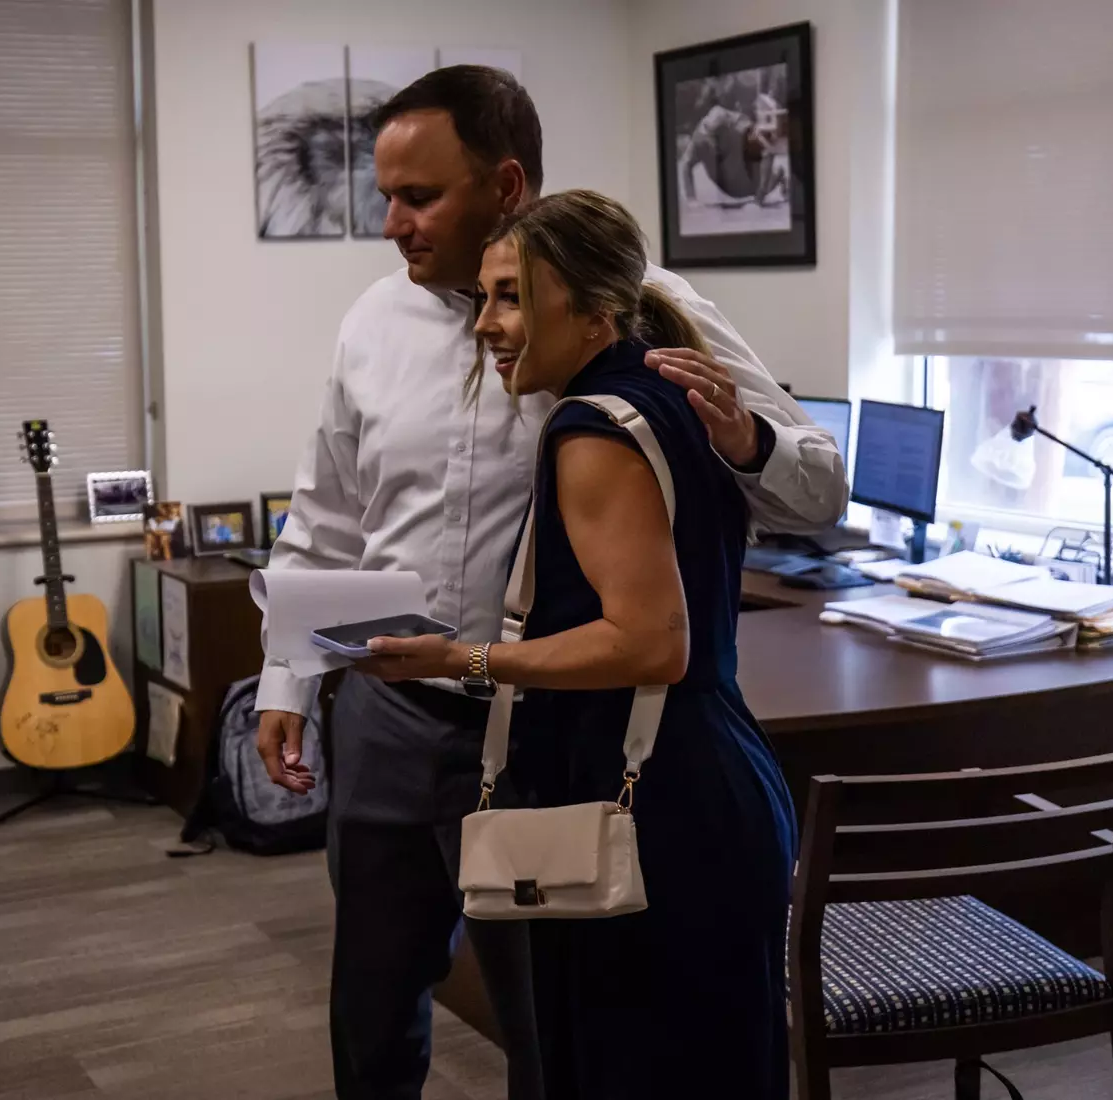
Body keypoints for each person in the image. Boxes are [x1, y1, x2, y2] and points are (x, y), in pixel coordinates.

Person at [253, 65, 844, 1100]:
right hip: (389, 715)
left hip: (550, 731)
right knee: (373, 1010)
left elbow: (819, 490)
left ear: (507, 184)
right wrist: (284, 683)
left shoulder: (645, 312)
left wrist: (746, 437)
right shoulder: (369, 324)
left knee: (559, 1029)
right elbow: (327, 517)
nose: (391, 222)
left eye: (419, 195)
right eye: (382, 194)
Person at [359, 190, 794, 1097]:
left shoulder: (593, 429)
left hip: (663, 805)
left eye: (511, 296)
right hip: (712, 777)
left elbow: (648, 646)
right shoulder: (670, 397)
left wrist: (463, 660)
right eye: (484, 298)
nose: (487, 325)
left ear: (594, 309)